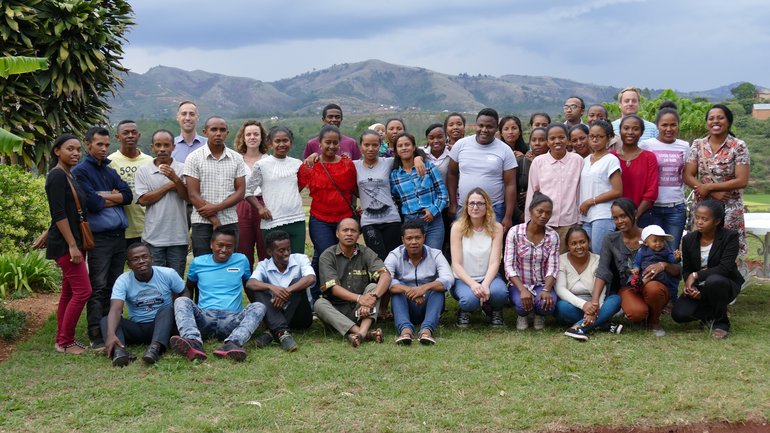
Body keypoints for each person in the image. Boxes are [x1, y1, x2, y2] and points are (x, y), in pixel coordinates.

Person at [72, 126, 132, 350]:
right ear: (88, 144)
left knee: (115, 284)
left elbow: (128, 196)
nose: (104, 149)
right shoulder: (81, 171)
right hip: (100, 237)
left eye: (107, 145)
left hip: (119, 236)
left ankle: (111, 327)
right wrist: (110, 197)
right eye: (99, 144)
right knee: (98, 285)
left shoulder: (109, 170)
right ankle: (95, 333)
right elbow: (92, 203)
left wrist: (105, 196)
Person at [171, 228, 266, 362]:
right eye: (220, 245)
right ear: (211, 244)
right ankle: (193, 341)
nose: (224, 250)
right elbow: (189, 288)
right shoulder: (198, 262)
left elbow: (248, 287)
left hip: (232, 320)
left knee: (259, 306)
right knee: (181, 300)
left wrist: (257, 316)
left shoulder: (241, 260)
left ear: (234, 247)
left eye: (229, 246)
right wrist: (187, 316)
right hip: (205, 318)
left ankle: (233, 343)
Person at [593, 199, 675, 336]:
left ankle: (654, 320)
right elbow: (603, 270)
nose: (620, 221)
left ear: (635, 214)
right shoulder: (610, 239)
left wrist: (663, 265)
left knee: (653, 289)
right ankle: (643, 313)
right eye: (615, 218)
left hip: (654, 285)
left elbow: (676, 270)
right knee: (637, 314)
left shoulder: (653, 235)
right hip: (629, 287)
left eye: (623, 216)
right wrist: (595, 300)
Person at [44, 134, 92, 354]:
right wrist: (72, 245)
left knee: (69, 292)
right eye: (69, 149)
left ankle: (60, 340)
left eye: (78, 149)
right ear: (57, 151)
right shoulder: (56, 176)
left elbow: (67, 211)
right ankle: (66, 341)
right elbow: (59, 212)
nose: (75, 153)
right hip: (67, 244)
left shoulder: (68, 175)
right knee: (83, 291)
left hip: (73, 240)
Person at [298, 125, 357, 303]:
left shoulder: (347, 164)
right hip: (320, 218)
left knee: (345, 255)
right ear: (319, 143)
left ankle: (342, 294)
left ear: (340, 144)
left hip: (344, 218)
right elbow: (295, 189)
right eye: (327, 142)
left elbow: (355, 189)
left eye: (335, 143)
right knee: (325, 254)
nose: (331, 146)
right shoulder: (310, 166)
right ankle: (318, 296)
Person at [101, 243, 185, 366]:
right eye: (135, 259)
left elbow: (184, 291)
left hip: (163, 326)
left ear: (152, 258)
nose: (141, 261)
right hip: (138, 327)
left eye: (144, 257)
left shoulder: (168, 274)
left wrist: (181, 309)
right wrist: (111, 334)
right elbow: (116, 309)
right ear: (129, 265)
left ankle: (155, 348)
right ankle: (119, 352)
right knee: (106, 321)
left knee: (167, 310)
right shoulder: (123, 280)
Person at [683, 104, 750, 257]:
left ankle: (727, 279)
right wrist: (710, 191)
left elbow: (742, 180)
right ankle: (699, 278)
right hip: (702, 205)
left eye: (720, 118)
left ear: (728, 122)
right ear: (707, 122)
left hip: (730, 207)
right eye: (711, 118)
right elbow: (688, 175)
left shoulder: (738, 146)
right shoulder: (698, 144)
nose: (715, 121)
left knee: (727, 248)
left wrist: (710, 188)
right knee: (701, 246)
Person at [314, 218, 392, 347]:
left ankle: (360, 333)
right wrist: (360, 298)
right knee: (319, 303)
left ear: (359, 234)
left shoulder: (366, 252)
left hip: (362, 311)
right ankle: (364, 333)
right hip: (336, 313)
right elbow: (333, 288)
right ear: (337, 233)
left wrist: (373, 297)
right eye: (345, 230)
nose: (349, 233)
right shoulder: (327, 255)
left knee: (373, 287)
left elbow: (386, 276)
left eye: (353, 231)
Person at [673, 200, 743, 339]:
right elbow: (687, 270)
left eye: (705, 219)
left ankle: (721, 323)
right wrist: (690, 285)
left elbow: (725, 268)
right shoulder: (688, 239)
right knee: (679, 315)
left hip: (724, 283)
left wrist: (696, 275)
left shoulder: (730, 237)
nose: (699, 222)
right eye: (697, 217)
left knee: (714, 281)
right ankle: (710, 314)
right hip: (701, 286)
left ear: (716, 221)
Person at [447, 108, 518, 233]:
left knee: (491, 248)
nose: (484, 130)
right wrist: (453, 203)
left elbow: (510, 185)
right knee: (464, 245)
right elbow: (452, 174)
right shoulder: (461, 145)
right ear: (476, 125)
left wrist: (508, 216)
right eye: (481, 125)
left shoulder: (505, 150)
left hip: (494, 209)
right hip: (465, 208)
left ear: (496, 128)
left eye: (489, 126)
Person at [184, 116, 246, 257]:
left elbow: (240, 192)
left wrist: (217, 207)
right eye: (214, 129)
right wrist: (214, 219)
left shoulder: (236, 158)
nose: (218, 133)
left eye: (222, 130)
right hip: (202, 222)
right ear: (205, 132)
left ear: (227, 133)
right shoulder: (194, 158)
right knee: (203, 263)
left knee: (229, 263)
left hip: (229, 220)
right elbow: (193, 194)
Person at [385, 220, 454, 345]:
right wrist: (409, 290)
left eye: (418, 238)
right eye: (409, 238)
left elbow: (448, 278)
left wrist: (425, 288)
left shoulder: (436, 254)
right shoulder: (394, 255)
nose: (414, 242)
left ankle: (426, 331)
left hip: (429, 303)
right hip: (405, 304)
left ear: (424, 238)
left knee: (437, 290)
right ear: (403, 240)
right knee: (396, 292)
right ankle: (405, 331)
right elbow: (386, 280)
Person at [247, 230, 315, 352]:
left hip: (301, 317)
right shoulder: (264, 265)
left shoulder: (300, 259)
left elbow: (311, 278)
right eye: (281, 250)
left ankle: (272, 332)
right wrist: (271, 287)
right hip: (276, 313)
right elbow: (250, 283)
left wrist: (287, 291)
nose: (286, 253)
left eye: (288, 249)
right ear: (269, 252)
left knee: (298, 282)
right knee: (259, 288)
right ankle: (282, 332)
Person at [135, 129, 189, 278]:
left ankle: (177, 303)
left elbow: (189, 198)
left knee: (176, 280)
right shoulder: (143, 171)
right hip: (153, 238)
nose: (162, 149)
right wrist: (170, 185)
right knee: (156, 280)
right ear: (152, 147)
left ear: (174, 146)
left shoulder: (184, 168)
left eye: (166, 145)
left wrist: (176, 179)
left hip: (178, 237)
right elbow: (143, 200)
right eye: (158, 145)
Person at [450, 188, 507, 327]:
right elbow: (456, 264)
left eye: (480, 203)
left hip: (488, 277)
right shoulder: (457, 227)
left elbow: (495, 262)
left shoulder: (496, 228)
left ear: (487, 206)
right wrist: (474, 285)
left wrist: (485, 285)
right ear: (466, 206)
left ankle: (496, 310)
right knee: (470, 300)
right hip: (464, 279)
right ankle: (465, 310)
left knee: (500, 293)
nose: (475, 207)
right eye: (471, 203)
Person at [246, 126, 306, 254]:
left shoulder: (297, 164)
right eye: (277, 141)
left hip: (297, 220)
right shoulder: (262, 165)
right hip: (272, 221)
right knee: (275, 263)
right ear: (270, 143)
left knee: (297, 261)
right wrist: (260, 208)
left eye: (285, 140)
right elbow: (247, 191)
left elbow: (298, 187)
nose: (282, 144)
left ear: (291, 142)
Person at [554, 227, 622, 341]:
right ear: (568, 245)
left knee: (615, 300)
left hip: (595, 305)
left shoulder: (598, 260)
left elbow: (602, 289)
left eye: (582, 242)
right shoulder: (561, 260)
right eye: (574, 243)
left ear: (588, 242)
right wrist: (584, 305)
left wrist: (594, 311)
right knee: (561, 307)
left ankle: (577, 327)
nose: (579, 247)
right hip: (573, 306)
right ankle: (602, 324)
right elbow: (560, 289)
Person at [525, 123, 583, 252]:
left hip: (569, 222)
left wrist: (579, 220)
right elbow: (532, 193)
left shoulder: (577, 160)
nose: (557, 141)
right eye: (552, 138)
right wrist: (529, 222)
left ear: (567, 139)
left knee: (564, 262)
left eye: (561, 137)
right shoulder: (538, 162)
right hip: (544, 223)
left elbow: (579, 192)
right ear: (547, 141)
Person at [505, 193, 560, 330]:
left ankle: (539, 315)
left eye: (548, 213)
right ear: (530, 211)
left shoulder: (552, 236)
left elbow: (553, 267)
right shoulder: (515, 232)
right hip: (519, 284)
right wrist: (523, 289)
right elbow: (509, 266)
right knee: (522, 304)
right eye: (539, 211)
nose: (543, 216)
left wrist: (547, 289)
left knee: (547, 305)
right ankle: (522, 315)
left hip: (541, 283)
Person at [639, 107, 690, 252]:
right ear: (657, 126)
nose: (669, 129)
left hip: (676, 208)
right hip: (652, 208)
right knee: (651, 250)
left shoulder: (684, 146)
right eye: (664, 125)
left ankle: (672, 275)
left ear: (678, 125)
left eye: (673, 125)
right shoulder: (646, 145)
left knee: (672, 251)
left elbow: (687, 174)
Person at [391, 132, 448, 250]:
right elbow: (394, 197)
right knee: (415, 258)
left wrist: (434, 210)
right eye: (400, 146)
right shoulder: (394, 176)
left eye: (407, 144)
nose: (404, 148)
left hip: (434, 221)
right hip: (410, 223)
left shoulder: (428, 167)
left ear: (414, 147)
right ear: (396, 151)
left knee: (433, 256)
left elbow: (442, 193)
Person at [355, 130, 405, 261]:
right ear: (361, 146)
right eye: (366, 145)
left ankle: (395, 282)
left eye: (375, 145)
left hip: (391, 219)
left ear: (380, 145)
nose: (370, 149)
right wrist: (314, 155)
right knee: (377, 259)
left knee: (394, 258)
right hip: (368, 221)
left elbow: (409, 154)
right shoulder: (354, 166)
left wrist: (418, 158)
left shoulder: (388, 162)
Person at [579, 120, 622, 253]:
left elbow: (617, 190)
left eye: (600, 137)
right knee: (588, 255)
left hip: (603, 214)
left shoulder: (611, 160)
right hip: (585, 216)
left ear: (608, 138)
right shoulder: (585, 161)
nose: (595, 140)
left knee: (599, 254)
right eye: (592, 136)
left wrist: (590, 201)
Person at [108, 120, 153, 246]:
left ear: (139, 135)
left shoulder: (149, 161)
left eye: (134, 132)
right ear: (117, 137)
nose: (130, 136)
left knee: (146, 264)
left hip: (147, 227)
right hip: (121, 227)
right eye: (125, 133)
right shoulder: (110, 162)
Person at [234, 120, 269, 269]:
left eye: (256, 134)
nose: (252, 137)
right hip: (242, 205)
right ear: (243, 137)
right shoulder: (235, 160)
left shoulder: (269, 160)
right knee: (243, 250)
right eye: (248, 134)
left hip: (264, 204)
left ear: (262, 137)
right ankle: (248, 287)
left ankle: (267, 287)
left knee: (265, 249)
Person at [611, 115, 659, 223]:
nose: (630, 132)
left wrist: (636, 214)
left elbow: (652, 191)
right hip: (615, 216)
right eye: (626, 128)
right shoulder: (611, 157)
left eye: (635, 129)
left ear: (641, 133)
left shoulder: (649, 157)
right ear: (620, 131)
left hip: (642, 214)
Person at [629, 225, 681, 291]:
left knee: (653, 273)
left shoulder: (665, 251)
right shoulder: (642, 251)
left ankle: (640, 284)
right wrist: (636, 268)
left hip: (660, 275)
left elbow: (672, 260)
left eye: (661, 241)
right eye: (655, 241)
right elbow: (637, 262)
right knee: (633, 277)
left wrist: (677, 258)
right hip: (644, 273)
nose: (659, 243)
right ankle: (635, 285)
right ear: (645, 243)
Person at [516, 127, 548, 223]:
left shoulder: (554, 163)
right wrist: (519, 214)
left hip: (546, 214)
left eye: (541, 140)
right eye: (533, 140)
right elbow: (510, 189)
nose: (537, 143)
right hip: (521, 212)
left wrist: (532, 194)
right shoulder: (521, 162)